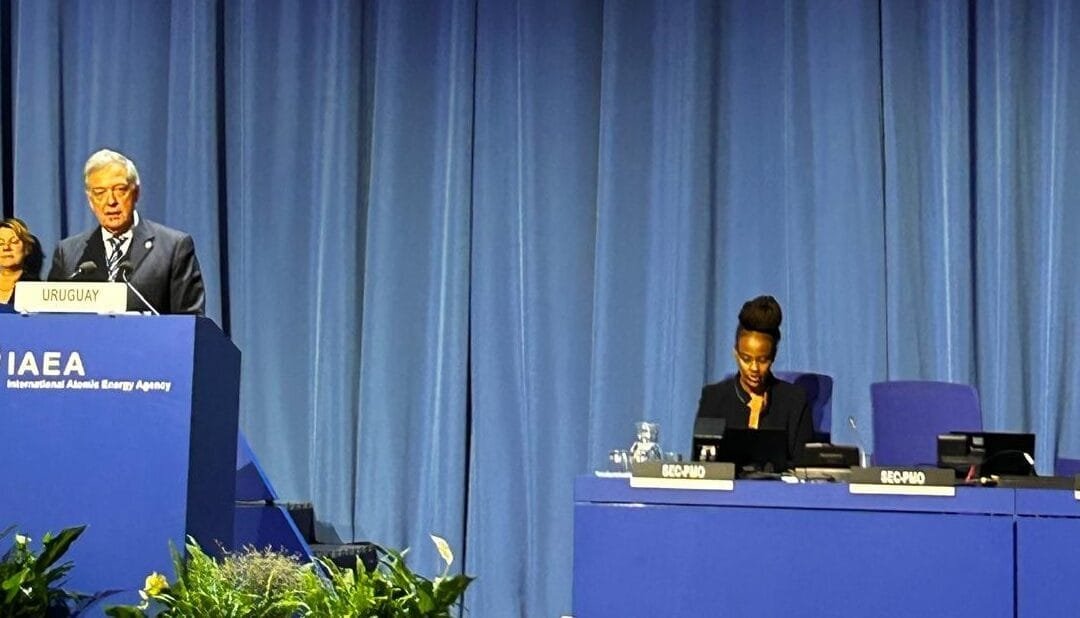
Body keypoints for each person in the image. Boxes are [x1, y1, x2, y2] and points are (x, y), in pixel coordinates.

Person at [47, 149, 205, 315]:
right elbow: (50, 320)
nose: (111, 201)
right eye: (100, 193)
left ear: (136, 193)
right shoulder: (69, 254)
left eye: (120, 190)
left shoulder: (173, 248)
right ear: (90, 200)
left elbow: (190, 321)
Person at [695, 295, 812, 465]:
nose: (754, 368)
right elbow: (701, 466)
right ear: (736, 354)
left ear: (773, 356)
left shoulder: (795, 402)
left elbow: (805, 468)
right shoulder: (713, 398)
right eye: (746, 359)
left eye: (763, 360)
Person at [0, 217, 45, 308]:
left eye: (14, 242)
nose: (6, 248)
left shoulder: (36, 289)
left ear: (27, 248)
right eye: (0, 243)